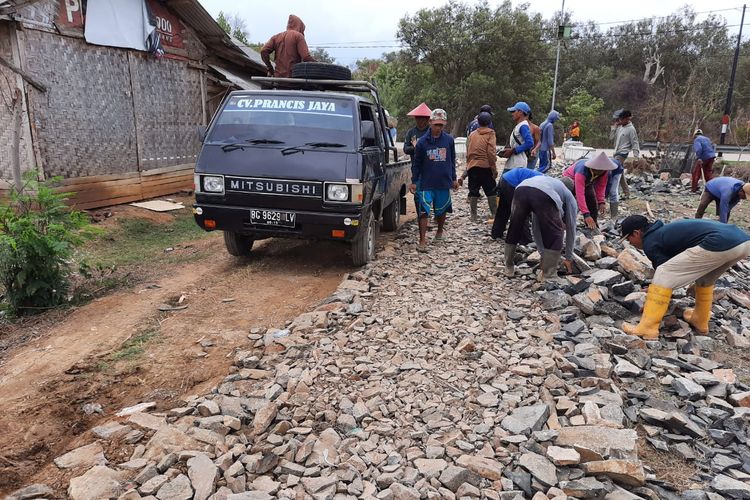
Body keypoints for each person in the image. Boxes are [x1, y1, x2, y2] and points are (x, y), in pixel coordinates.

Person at [619, 215, 750, 339]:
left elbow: (665, 273)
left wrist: (653, 297)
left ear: (636, 233)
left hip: (718, 241)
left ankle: (647, 327)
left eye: (628, 239)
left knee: (664, 273)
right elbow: (678, 266)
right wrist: (656, 289)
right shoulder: (663, 233)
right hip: (742, 242)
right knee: (705, 279)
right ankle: (700, 320)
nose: (630, 243)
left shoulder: (650, 241)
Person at [504, 176, 578, 281]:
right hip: (541, 193)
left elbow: (536, 227)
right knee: (556, 233)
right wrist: (568, 258)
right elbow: (571, 228)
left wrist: (543, 254)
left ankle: (508, 267)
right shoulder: (568, 195)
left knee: (515, 227)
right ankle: (549, 275)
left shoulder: (549, 182)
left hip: (521, 189)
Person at [410, 108, 458, 251]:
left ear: (445, 124)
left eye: (441, 125)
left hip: (443, 181)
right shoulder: (422, 143)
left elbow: (452, 159)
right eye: (436, 124)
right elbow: (416, 163)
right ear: (430, 122)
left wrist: (454, 178)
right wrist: (413, 181)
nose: (438, 127)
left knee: (441, 209)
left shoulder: (449, 140)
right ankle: (422, 239)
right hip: (425, 182)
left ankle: (439, 231)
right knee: (424, 210)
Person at [561, 152, 617, 229]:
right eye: (600, 170)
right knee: (572, 203)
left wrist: (601, 202)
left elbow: (601, 187)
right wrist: (586, 214)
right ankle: (564, 222)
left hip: (587, 183)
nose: (602, 172)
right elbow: (580, 194)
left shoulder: (604, 172)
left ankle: (592, 225)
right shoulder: (582, 170)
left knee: (592, 202)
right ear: (594, 167)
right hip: (570, 182)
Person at [459, 112, 497, 222]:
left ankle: (473, 215)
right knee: (491, 190)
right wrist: (493, 169)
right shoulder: (491, 134)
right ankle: (494, 213)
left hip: (473, 167)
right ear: (489, 122)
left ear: (478, 122)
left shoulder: (472, 135)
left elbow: (468, 151)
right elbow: (491, 152)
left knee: (473, 190)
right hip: (486, 167)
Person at [490, 167, 542, 240]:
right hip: (512, 182)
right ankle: (525, 240)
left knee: (503, 209)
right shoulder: (545, 185)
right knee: (521, 212)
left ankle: (496, 233)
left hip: (505, 178)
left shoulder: (544, 179)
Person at [403, 103, 432, 211]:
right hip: (416, 167)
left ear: (428, 119)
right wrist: (416, 148)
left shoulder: (431, 132)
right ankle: (421, 214)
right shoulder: (411, 132)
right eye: (418, 118)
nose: (420, 121)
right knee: (418, 192)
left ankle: (427, 214)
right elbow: (406, 149)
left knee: (429, 192)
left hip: (431, 167)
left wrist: (418, 146)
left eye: (422, 119)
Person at [610, 109, 639, 199]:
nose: (620, 121)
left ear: (627, 119)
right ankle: (626, 193)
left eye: (621, 119)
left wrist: (636, 156)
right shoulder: (620, 127)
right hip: (616, 152)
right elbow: (611, 138)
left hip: (622, 153)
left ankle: (613, 192)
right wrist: (614, 128)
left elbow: (635, 142)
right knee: (620, 172)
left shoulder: (631, 129)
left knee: (614, 171)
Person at [501, 102, 534, 171]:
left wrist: (513, 151)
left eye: (513, 111)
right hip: (514, 163)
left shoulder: (523, 126)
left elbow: (530, 143)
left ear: (520, 112)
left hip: (518, 164)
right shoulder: (520, 125)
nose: (512, 114)